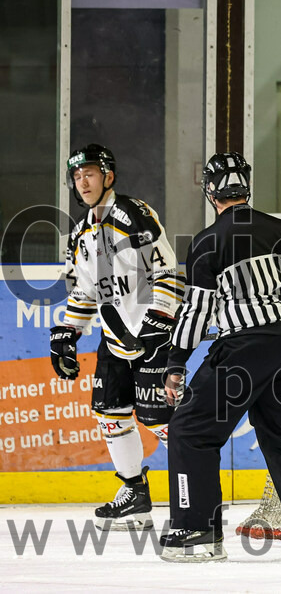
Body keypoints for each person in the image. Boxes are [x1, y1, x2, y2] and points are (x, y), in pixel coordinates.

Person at [159, 152, 281, 562]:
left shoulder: (207, 242)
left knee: (190, 431)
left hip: (243, 349)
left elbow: (197, 312)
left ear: (210, 191)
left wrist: (175, 362)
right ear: (246, 187)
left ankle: (196, 531)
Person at [50, 143, 183, 530]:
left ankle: (199, 486)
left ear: (108, 176)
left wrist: (159, 322)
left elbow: (167, 272)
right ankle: (135, 494)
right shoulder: (81, 233)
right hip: (115, 338)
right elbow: (85, 292)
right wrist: (67, 332)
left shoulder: (132, 214)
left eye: (89, 173)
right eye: (76, 176)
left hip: (153, 335)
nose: (82, 181)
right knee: (110, 413)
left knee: (160, 421)